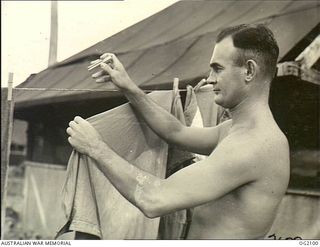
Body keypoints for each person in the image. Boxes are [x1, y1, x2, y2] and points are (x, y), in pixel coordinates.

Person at [66, 24, 290, 239]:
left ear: (249, 70)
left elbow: (154, 199)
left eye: (218, 68)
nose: (210, 79)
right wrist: (127, 86)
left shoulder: (253, 145)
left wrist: (95, 147)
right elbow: (176, 132)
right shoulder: (235, 130)